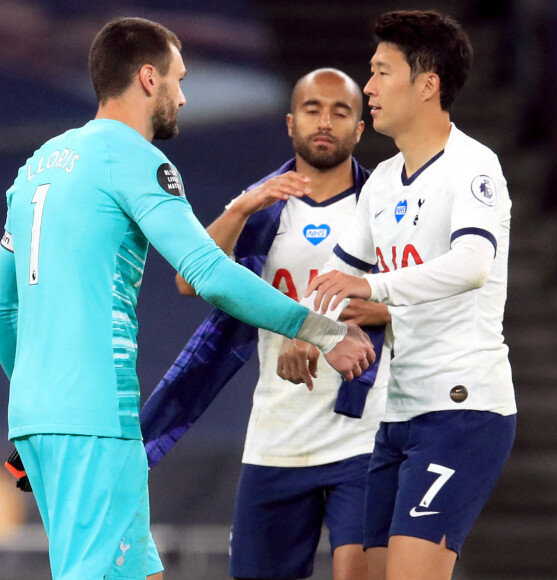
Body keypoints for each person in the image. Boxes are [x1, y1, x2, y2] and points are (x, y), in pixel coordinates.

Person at [0, 18, 375, 580]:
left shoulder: (35, 168)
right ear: (148, 79)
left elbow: (6, 308)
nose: (183, 95)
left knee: (138, 573)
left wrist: (42, 400)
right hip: (93, 414)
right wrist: (321, 330)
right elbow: (208, 273)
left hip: (40, 414)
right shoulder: (133, 158)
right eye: (178, 79)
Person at [278, 10, 517, 580]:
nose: (369, 88)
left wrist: (372, 286)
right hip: (398, 416)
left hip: (463, 411)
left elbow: (472, 264)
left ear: (427, 83)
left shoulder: (475, 166)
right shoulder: (383, 181)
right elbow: (334, 279)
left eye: (382, 72)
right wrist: (308, 332)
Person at [141, 68, 391, 580]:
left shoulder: (384, 206)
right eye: (312, 109)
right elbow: (191, 281)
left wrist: (317, 328)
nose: (325, 121)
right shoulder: (263, 208)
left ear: (359, 129)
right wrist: (241, 207)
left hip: (362, 434)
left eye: (340, 111)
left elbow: (411, 298)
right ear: (290, 122)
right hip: (277, 439)